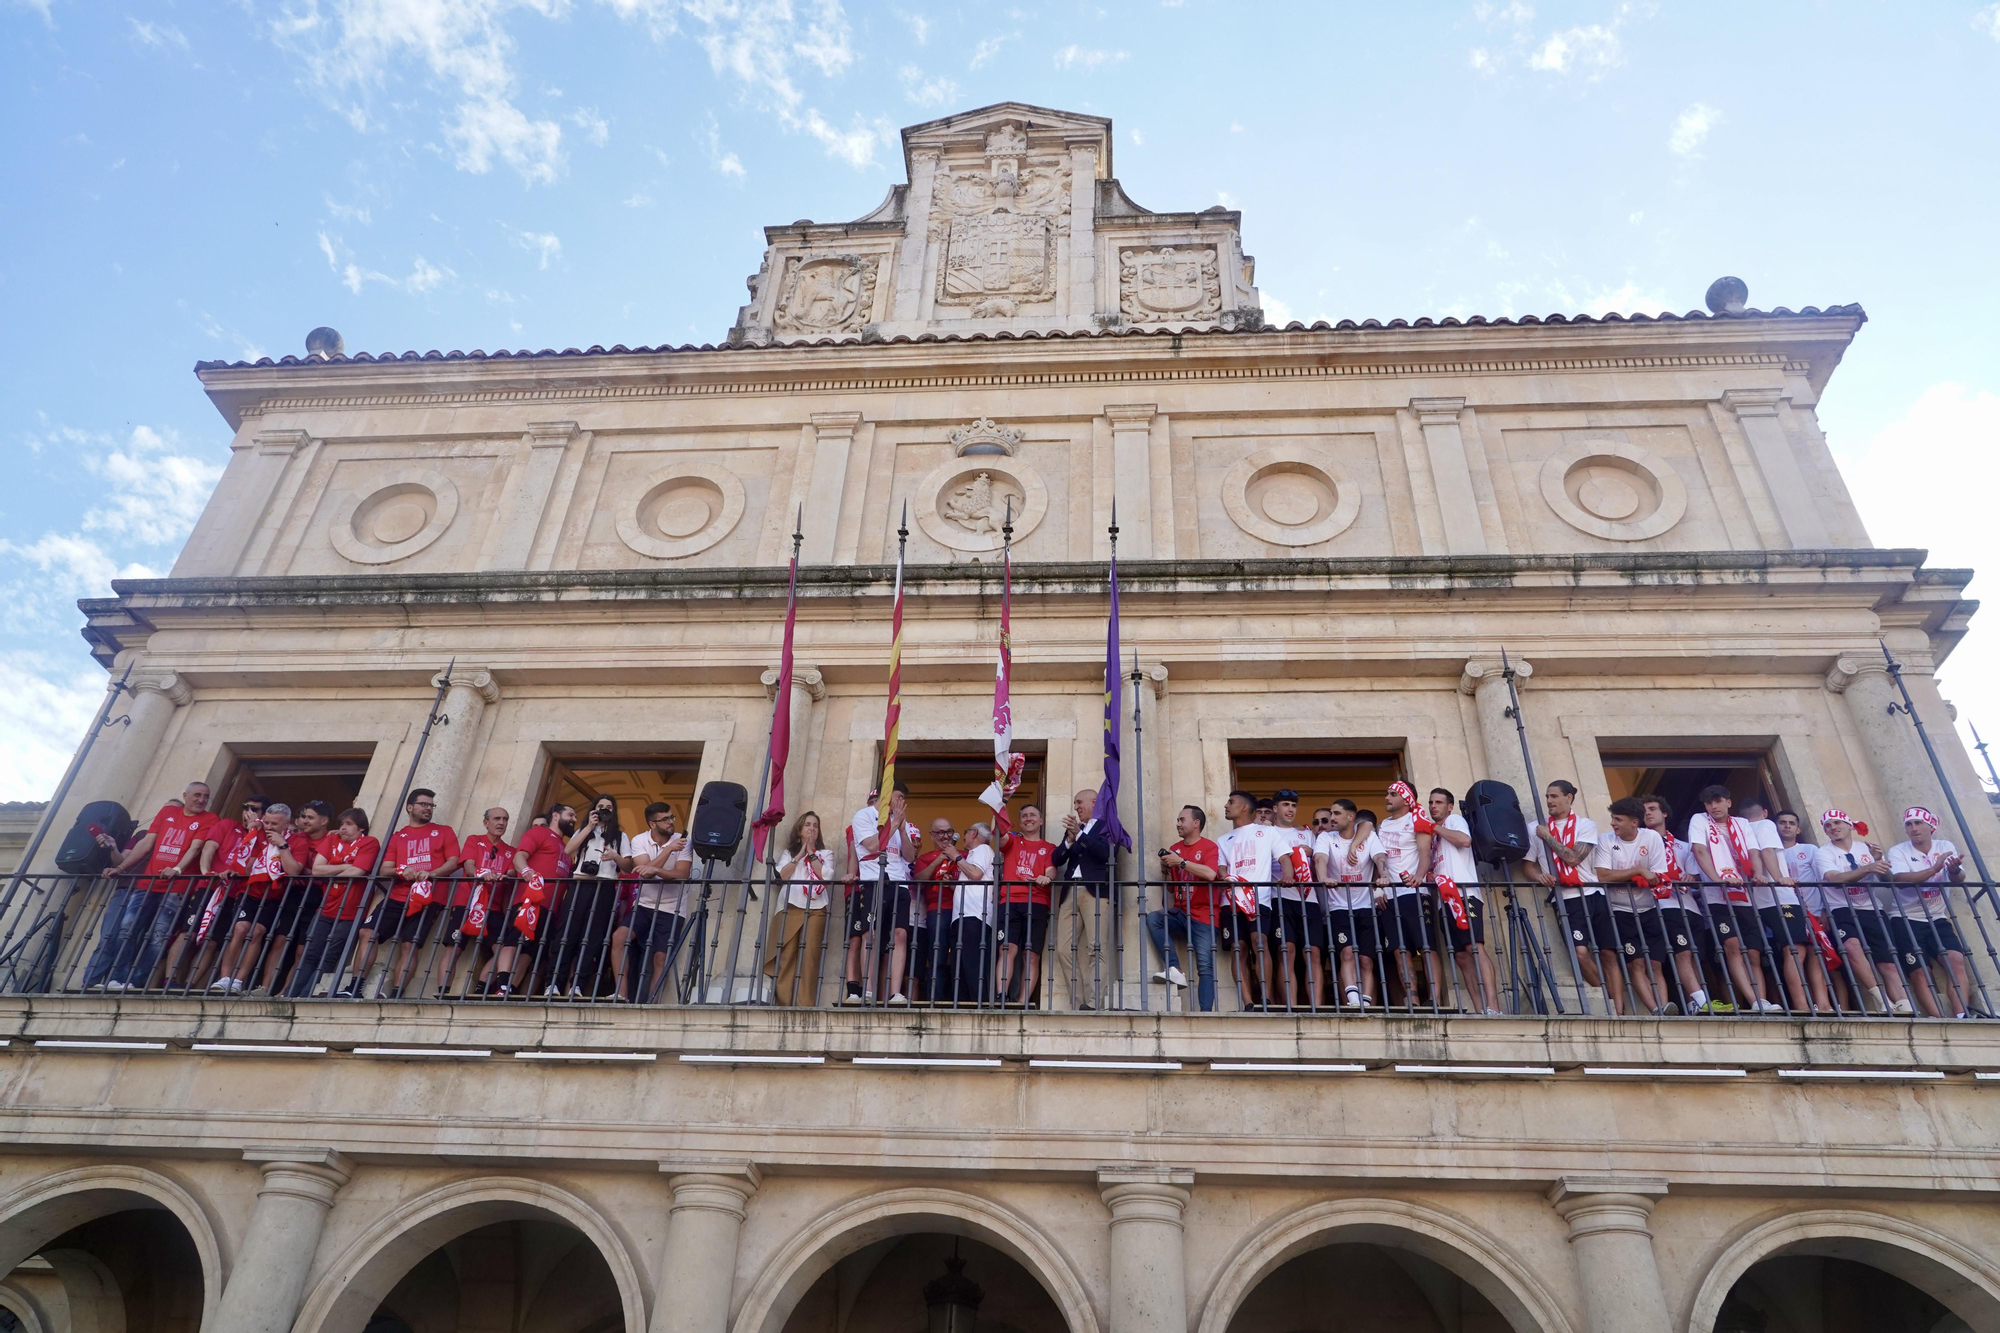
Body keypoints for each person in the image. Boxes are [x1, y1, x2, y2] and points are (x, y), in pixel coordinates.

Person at [84, 781, 217, 992]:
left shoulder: (210, 818)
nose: (202, 800)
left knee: (158, 937)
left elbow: (195, 848)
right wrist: (121, 868)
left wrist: (178, 869)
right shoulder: (167, 813)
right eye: (197, 795)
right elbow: (145, 844)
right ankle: (118, 978)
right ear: (185, 795)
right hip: (147, 883)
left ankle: (135, 982)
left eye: (205, 796)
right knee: (126, 928)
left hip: (177, 888)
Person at [346, 788, 460, 999]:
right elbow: (384, 869)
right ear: (410, 807)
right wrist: (402, 871)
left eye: (431, 805)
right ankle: (355, 987)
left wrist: (431, 873)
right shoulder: (399, 837)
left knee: (410, 945)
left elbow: (453, 862)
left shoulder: (444, 831)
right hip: (398, 895)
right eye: (423, 804)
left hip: (429, 897)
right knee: (367, 932)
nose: (428, 808)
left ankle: (396, 994)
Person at [1527, 780, 1629, 1014]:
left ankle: (1620, 1011)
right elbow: (1527, 865)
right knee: (1581, 953)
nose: (1549, 801)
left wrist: (1548, 836)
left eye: (1554, 796)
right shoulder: (1536, 828)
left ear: (1568, 798)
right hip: (1565, 898)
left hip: (1593, 894)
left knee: (1608, 952)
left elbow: (1573, 858)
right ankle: (1610, 1001)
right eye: (1547, 796)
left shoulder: (1585, 825)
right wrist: (1539, 877)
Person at [1686, 785, 1781, 1013]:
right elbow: (1700, 851)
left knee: (1754, 952)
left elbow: (1753, 852)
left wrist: (1757, 874)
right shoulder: (1699, 820)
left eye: (1718, 801)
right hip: (1717, 896)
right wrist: (1718, 879)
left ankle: (1762, 1000)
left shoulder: (1742, 823)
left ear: (1728, 802)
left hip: (1744, 895)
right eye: (1709, 803)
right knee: (1732, 945)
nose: (1713, 806)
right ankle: (1754, 1000)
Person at [163, 793, 265, 990]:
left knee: (212, 942)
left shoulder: (262, 836)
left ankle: (189, 985)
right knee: (188, 933)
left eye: (255, 810)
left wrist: (255, 831)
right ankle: (170, 979)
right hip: (208, 887)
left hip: (235, 894)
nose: (248, 813)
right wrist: (206, 872)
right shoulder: (227, 824)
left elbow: (255, 864)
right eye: (246, 808)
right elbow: (209, 848)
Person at [1816, 810, 1912, 1016]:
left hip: (1872, 909)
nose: (1833, 827)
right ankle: (1882, 1000)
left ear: (1849, 825)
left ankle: (1905, 1006)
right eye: (1828, 825)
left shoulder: (1866, 849)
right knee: (1851, 947)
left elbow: (1888, 880)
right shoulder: (1823, 852)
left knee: (1887, 961)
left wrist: (1879, 861)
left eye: (1837, 823)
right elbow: (1835, 878)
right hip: (1841, 909)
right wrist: (1869, 867)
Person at [1884, 806, 1973, 1018]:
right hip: (1906, 919)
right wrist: (1934, 869)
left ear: (1930, 826)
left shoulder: (1944, 845)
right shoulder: (1898, 851)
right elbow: (1900, 880)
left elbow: (1958, 879)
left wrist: (1953, 870)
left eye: (1918, 823)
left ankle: (1962, 1015)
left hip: (1937, 917)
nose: (1913, 828)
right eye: (1909, 824)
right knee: (1920, 971)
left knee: (1956, 959)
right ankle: (1938, 1018)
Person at [213, 803, 310, 994]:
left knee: (256, 932)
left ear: (287, 824)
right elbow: (247, 865)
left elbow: (293, 870)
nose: (269, 827)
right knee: (240, 929)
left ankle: (238, 981)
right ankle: (224, 979)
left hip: (274, 897)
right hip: (249, 891)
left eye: (275, 823)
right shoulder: (257, 836)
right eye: (266, 822)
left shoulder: (298, 841)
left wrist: (282, 845)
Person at [1589, 796, 1669, 1015]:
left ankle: (1665, 1008)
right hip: (1619, 911)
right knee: (1635, 964)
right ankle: (1655, 1010)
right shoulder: (1606, 840)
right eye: (1613, 818)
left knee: (1655, 965)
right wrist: (1638, 871)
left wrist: (1633, 874)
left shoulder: (1651, 837)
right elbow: (1603, 875)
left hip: (1649, 908)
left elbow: (1657, 875)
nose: (1613, 823)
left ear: (1634, 822)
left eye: (1618, 819)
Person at [290, 809, 380, 997]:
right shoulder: (331, 840)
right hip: (326, 907)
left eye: (348, 824)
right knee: (310, 954)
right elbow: (316, 869)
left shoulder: (369, 843)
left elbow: (359, 872)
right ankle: (291, 994)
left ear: (361, 827)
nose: (343, 828)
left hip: (351, 911)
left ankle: (307, 996)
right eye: (341, 824)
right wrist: (346, 867)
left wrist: (332, 871)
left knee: (329, 957)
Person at [1641, 795, 1717, 1014]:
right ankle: (1702, 1001)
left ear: (1664, 813)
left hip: (1689, 905)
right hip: (1664, 905)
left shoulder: (1683, 846)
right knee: (1681, 953)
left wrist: (1690, 878)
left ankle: (1694, 1002)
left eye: (1653, 808)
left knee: (1694, 956)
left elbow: (1693, 873)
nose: (1648, 813)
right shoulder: (1643, 845)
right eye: (1644, 810)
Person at [549, 796, 630, 998]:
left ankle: (577, 984)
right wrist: (588, 827)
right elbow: (568, 850)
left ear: (614, 812)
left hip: (605, 887)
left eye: (608, 807)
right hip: (580, 884)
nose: (604, 810)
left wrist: (615, 857)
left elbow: (628, 867)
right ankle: (554, 983)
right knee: (567, 934)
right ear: (593, 810)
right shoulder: (583, 831)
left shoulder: (620, 837)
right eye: (600, 807)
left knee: (592, 938)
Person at [251, 798, 333, 995]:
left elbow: (321, 870)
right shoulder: (293, 837)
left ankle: (285, 992)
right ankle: (265, 987)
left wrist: (302, 871)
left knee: (301, 949)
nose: (304, 820)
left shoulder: (331, 840)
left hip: (316, 896)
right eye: (303, 816)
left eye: (310, 817)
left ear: (324, 821)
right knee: (279, 940)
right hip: (291, 894)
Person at [846, 783, 918, 1005]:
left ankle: (895, 992)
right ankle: (867, 989)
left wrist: (902, 829)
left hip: (899, 884)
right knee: (871, 935)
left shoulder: (899, 822)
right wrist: (894, 823)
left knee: (900, 935)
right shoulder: (864, 816)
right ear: (885, 795)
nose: (900, 803)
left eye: (903, 799)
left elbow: (910, 856)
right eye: (898, 797)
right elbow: (871, 845)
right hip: (873, 882)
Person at [1429, 788, 1499, 1014]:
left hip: (1465, 894)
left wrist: (1434, 827)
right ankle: (1480, 1010)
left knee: (1474, 947)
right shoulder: (1434, 836)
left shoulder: (1454, 820)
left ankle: (1494, 1007)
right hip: (1444, 900)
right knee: (1461, 956)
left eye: (1438, 802)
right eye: (1431, 802)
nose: (1433, 806)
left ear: (1449, 806)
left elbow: (1465, 841)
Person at [1739, 797, 1810, 1013]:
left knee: (1755, 953)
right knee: (1795, 949)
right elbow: (1766, 851)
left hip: (1751, 901)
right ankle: (1801, 1005)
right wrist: (1780, 878)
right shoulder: (1765, 825)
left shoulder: (1739, 830)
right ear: (1765, 813)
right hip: (1779, 897)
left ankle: (1761, 1001)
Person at [1215, 789, 1284, 1010]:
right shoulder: (1223, 838)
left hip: (1259, 899)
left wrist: (1289, 876)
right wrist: (1224, 875)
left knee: (1260, 944)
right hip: (1231, 901)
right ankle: (1248, 1001)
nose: (1226, 805)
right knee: (1239, 948)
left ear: (1244, 807)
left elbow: (1284, 857)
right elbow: (1221, 866)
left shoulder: (1267, 832)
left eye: (1231, 802)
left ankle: (1266, 997)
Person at [1376, 781, 1441, 1009]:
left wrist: (1419, 877)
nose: (1387, 797)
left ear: (1406, 799)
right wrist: (1379, 889)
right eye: (1387, 793)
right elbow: (1378, 859)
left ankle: (1434, 998)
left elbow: (1425, 853)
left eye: (1392, 794)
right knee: (1399, 949)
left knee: (1426, 946)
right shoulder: (1382, 825)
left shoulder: (1417, 819)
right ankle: (1412, 998)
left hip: (1414, 891)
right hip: (1390, 894)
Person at [1150, 804, 1221, 1011]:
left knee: (1205, 967)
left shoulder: (1209, 847)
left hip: (1205, 915)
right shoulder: (1176, 848)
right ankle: (1173, 968)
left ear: (1196, 823)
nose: (1178, 824)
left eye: (1182, 820)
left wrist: (1180, 862)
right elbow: (1172, 891)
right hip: (1181, 911)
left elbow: (1210, 874)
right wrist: (1166, 869)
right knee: (1154, 919)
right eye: (1178, 820)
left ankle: (1206, 1013)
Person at [1314, 799, 1383, 1009]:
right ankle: (1353, 1001)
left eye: (1336, 814)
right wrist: (1324, 878)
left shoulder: (1368, 836)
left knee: (1366, 961)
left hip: (1365, 906)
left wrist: (1385, 875)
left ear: (1350, 817)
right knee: (1346, 953)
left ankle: (1366, 1003)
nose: (1331, 818)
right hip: (1339, 907)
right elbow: (1320, 859)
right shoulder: (1326, 837)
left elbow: (1380, 857)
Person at [502, 803, 577, 997]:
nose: (574, 819)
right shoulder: (539, 833)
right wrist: (526, 871)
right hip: (529, 900)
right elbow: (520, 856)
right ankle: (502, 985)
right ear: (555, 816)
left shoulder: (567, 848)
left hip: (551, 908)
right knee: (513, 942)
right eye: (570, 814)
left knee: (530, 951)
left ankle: (511, 988)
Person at [1051, 787, 1115, 1010]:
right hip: (1070, 890)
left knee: (1096, 948)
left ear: (1094, 802)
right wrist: (1069, 840)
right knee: (1063, 949)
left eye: (1079, 802)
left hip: (1095, 891)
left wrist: (1079, 834)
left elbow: (1105, 854)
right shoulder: (1076, 829)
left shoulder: (1107, 824)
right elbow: (1057, 859)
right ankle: (1078, 1004)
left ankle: (1094, 1003)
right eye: (1075, 803)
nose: (1076, 807)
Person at [442, 807, 515, 999]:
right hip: (467, 902)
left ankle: (483, 988)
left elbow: (511, 874)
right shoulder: (474, 840)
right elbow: (469, 866)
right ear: (486, 822)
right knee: (454, 948)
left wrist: (508, 875)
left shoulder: (511, 851)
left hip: (494, 907)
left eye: (505, 819)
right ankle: (443, 993)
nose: (501, 822)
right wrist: (484, 874)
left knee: (502, 949)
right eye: (497, 818)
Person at [1776, 807, 1840, 1014]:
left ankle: (1823, 1004)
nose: (1787, 826)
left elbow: (1822, 880)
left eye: (1791, 823)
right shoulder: (1770, 853)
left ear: (1798, 829)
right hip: (1787, 910)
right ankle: (1802, 1005)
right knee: (1795, 953)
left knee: (1817, 954)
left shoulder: (1811, 850)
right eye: (1782, 822)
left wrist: (1824, 910)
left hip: (1813, 910)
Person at [625, 802, 691, 1003]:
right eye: (666, 819)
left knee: (660, 958)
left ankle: (652, 1003)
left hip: (673, 909)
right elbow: (642, 872)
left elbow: (682, 874)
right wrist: (668, 850)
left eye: (672, 817)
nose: (671, 822)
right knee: (620, 936)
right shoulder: (639, 839)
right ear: (653, 824)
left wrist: (655, 870)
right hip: (644, 904)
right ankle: (620, 993)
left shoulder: (683, 840)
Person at [766, 811, 833, 1006]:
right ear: (799, 829)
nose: (812, 828)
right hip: (791, 906)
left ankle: (805, 1005)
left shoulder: (825, 854)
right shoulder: (788, 853)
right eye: (807, 825)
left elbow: (825, 876)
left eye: (815, 825)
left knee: (809, 958)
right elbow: (782, 876)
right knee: (786, 956)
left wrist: (811, 853)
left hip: (816, 908)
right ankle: (783, 1004)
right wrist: (798, 856)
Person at [995, 804, 1056, 1006]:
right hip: (1010, 901)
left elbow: (1051, 870)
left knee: (1031, 955)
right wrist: (998, 809)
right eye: (1024, 816)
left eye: (1033, 815)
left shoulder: (1049, 847)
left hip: (1036, 902)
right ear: (1020, 821)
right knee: (1007, 949)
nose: (1028, 818)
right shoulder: (1013, 839)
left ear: (1041, 820)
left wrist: (1046, 878)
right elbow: (999, 837)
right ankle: (1001, 996)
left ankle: (1023, 1001)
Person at [1267, 789, 1323, 1009]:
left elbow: (1322, 861)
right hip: (1279, 898)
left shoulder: (1307, 834)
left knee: (1313, 952)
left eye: (1293, 805)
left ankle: (1317, 1007)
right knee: (1286, 951)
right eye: (1285, 805)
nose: (1290, 809)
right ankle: (1290, 1006)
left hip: (1309, 900)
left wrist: (1312, 852)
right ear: (1275, 809)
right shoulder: (1266, 833)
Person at [911, 818, 960, 1001]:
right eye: (940, 832)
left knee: (959, 957)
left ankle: (959, 999)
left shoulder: (963, 854)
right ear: (932, 835)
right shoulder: (925, 857)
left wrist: (955, 857)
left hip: (961, 911)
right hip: (937, 910)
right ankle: (935, 999)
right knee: (937, 957)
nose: (945, 836)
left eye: (949, 831)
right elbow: (919, 879)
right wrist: (938, 860)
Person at [949, 822, 998, 1003]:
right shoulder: (973, 854)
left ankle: (979, 1000)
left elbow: (976, 874)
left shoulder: (983, 850)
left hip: (975, 915)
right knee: (961, 963)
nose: (963, 836)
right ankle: (965, 1000)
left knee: (972, 961)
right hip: (964, 915)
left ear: (974, 833)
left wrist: (956, 857)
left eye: (966, 831)